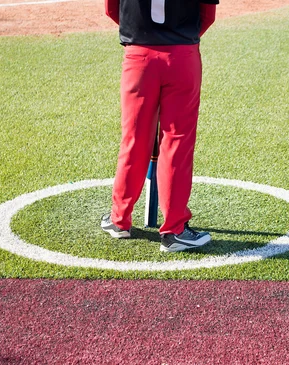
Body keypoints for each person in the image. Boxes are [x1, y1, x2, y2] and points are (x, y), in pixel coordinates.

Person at [101, 0, 218, 252]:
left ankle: (119, 219)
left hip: (139, 56)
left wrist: (143, 36)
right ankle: (175, 230)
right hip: (182, 57)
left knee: (133, 138)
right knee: (177, 141)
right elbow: (207, 15)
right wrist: (178, 39)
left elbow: (111, 10)